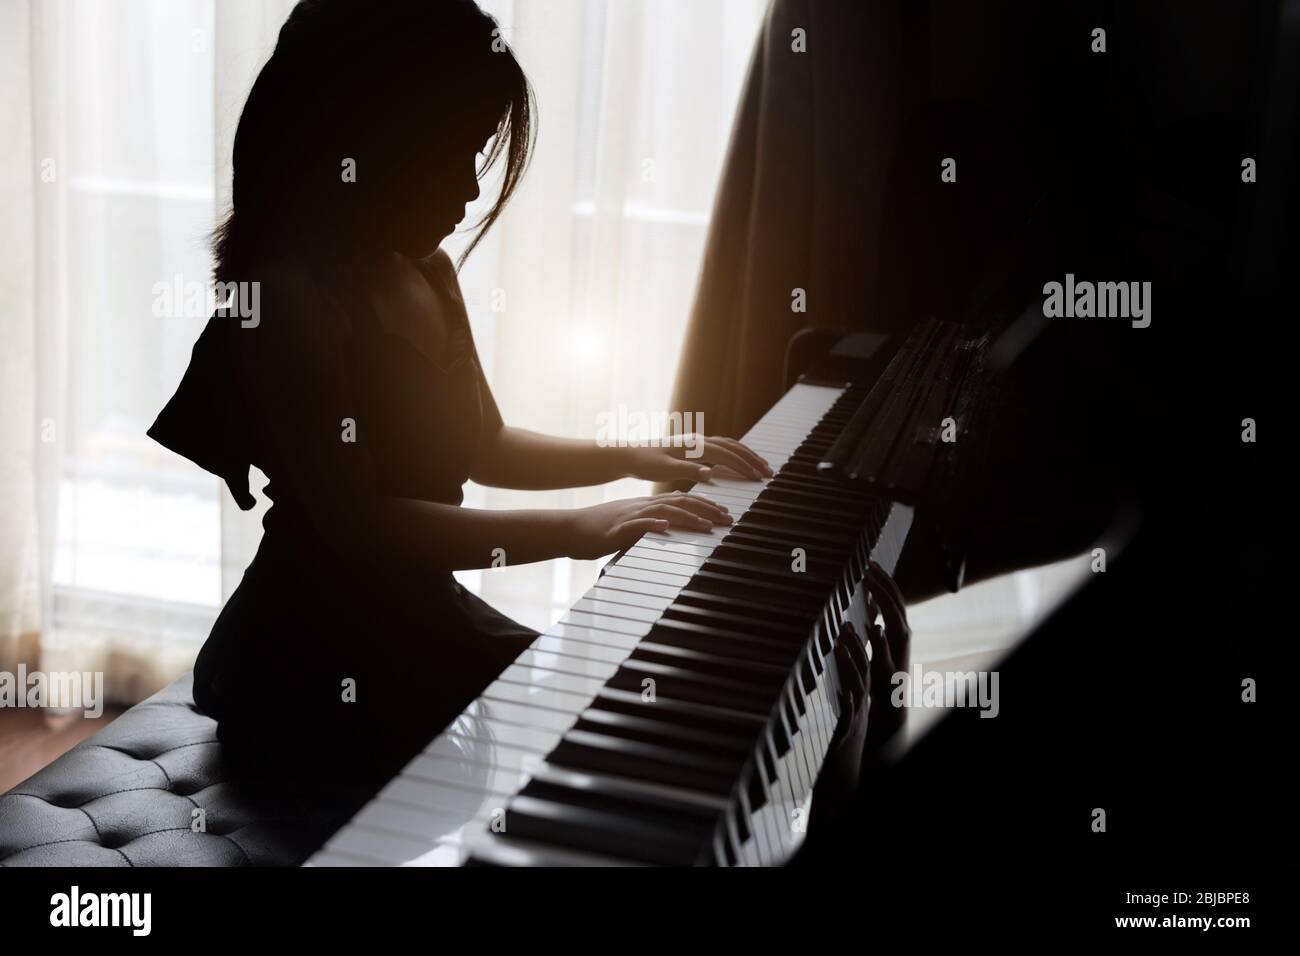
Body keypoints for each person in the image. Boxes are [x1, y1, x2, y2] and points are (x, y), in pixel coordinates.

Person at [147, 0, 770, 782]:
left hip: (418, 613)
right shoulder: (289, 301)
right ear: (366, 139)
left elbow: (486, 445)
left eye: (476, 155)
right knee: (612, 740)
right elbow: (361, 526)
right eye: (451, 154)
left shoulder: (430, 275)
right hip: (308, 650)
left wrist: (642, 454)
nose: (470, 192)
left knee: (660, 711)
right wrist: (580, 527)